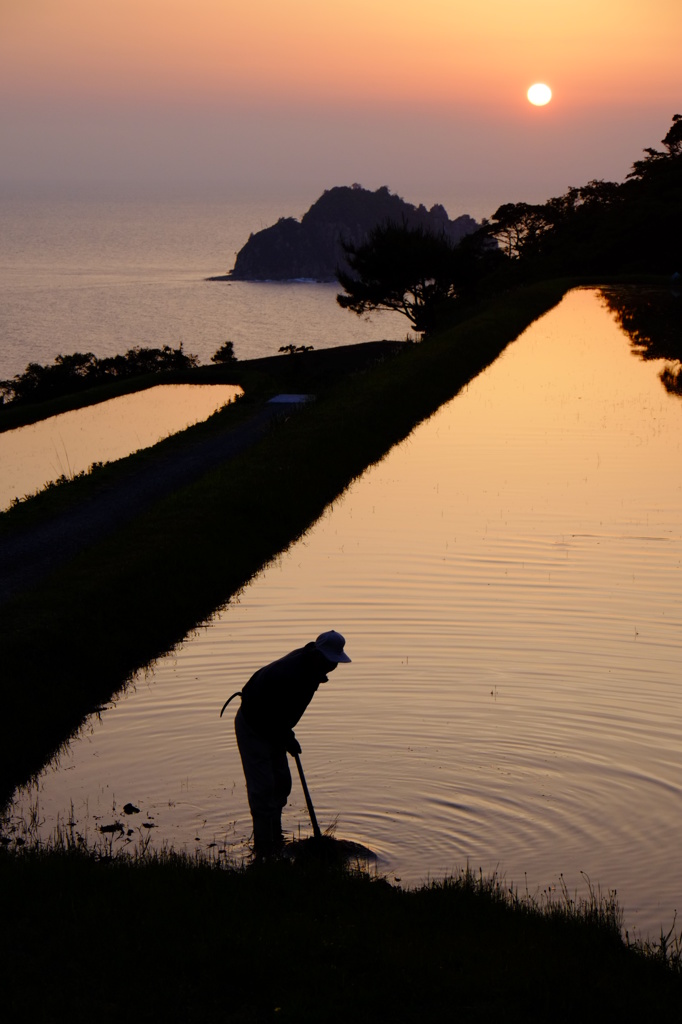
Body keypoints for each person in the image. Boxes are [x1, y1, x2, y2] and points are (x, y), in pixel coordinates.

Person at [233, 630, 351, 856]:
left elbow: (282, 714)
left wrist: (287, 736)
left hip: (274, 726)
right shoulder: (292, 674)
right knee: (264, 790)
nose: (333, 667)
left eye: (335, 662)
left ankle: (275, 839)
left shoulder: (312, 668)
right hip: (254, 724)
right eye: (331, 661)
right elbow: (269, 712)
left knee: (281, 784)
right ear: (318, 655)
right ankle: (264, 851)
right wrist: (286, 737)